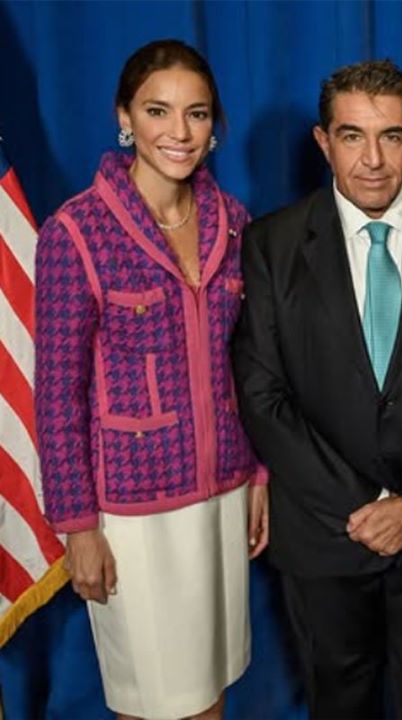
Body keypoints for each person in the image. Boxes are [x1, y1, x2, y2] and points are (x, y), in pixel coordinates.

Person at [232, 59, 402, 718]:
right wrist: (363, 506)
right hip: (327, 536)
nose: (374, 160)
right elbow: (262, 391)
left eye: (391, 136)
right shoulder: (271, 243)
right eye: (352, 136)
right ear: (323, 141)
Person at [34, 39, 268, 720]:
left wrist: (258, 474)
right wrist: (77, 526)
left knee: (211, 695)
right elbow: (57, 393)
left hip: (223, 493)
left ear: (215, 123)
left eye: (197, 113)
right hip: (131, 513)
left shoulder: (235, 222)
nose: (180, 132)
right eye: (157, 111)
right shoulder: (76, 232)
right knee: (152, 702)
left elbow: (249, 361)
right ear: (125, 117)